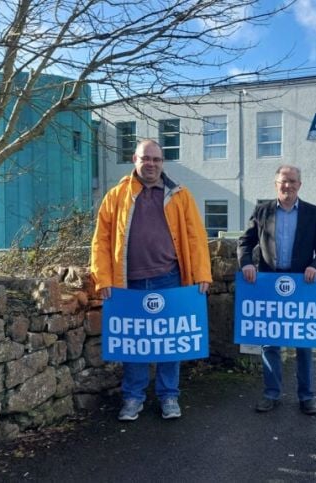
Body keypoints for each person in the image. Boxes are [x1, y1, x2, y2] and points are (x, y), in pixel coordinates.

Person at [90, 139, 212, 422]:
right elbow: (101, 241)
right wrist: (102, 278)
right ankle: (133, 398)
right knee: (135, 345)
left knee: (170, 343)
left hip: (169, 279)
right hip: (127, 283)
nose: (151, 164)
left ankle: (169, 396)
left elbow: (196, 238)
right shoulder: (116, 195)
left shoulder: (179, 195)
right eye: (146, 158)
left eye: (156, 159)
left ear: (162, 162)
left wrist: (202, 273)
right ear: (135, 159)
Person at [238, 165, 316, 415]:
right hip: (269, 284)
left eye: (292, 181)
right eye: (283, 181)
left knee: (304, 343)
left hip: (302, 285)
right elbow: (245, 242)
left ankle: (307, 396)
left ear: (299, 185)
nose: (287, 185)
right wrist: (247, 262)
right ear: (275, 183)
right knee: (269, 343)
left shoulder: (314, 213)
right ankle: (271, 393)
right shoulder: (262, 211)